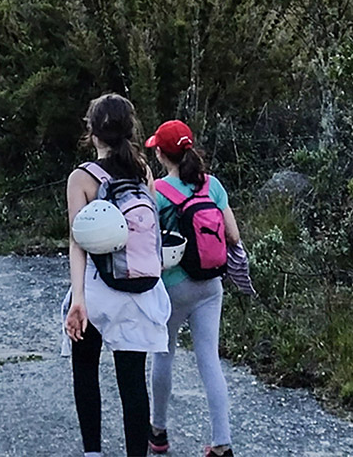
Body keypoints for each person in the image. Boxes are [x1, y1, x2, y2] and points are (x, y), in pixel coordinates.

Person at [65, 94, 169, 457]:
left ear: (92, 132)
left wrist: (78, 299)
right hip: (140, 290)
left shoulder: (82, 177)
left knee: (85, 371)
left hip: (97, 288)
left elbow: (77, 241)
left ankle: (93, 451)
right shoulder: (143, 171)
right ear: (130, 129)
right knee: (132, 382)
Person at [145, 120, 242, 457]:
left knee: (163, 353)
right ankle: (222, 442)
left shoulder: (157, 191)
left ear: (160, 153)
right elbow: (233, 235)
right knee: (209, 360)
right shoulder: (212, 185)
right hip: (210, 285)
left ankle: (158, 432)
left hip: (173, 286)